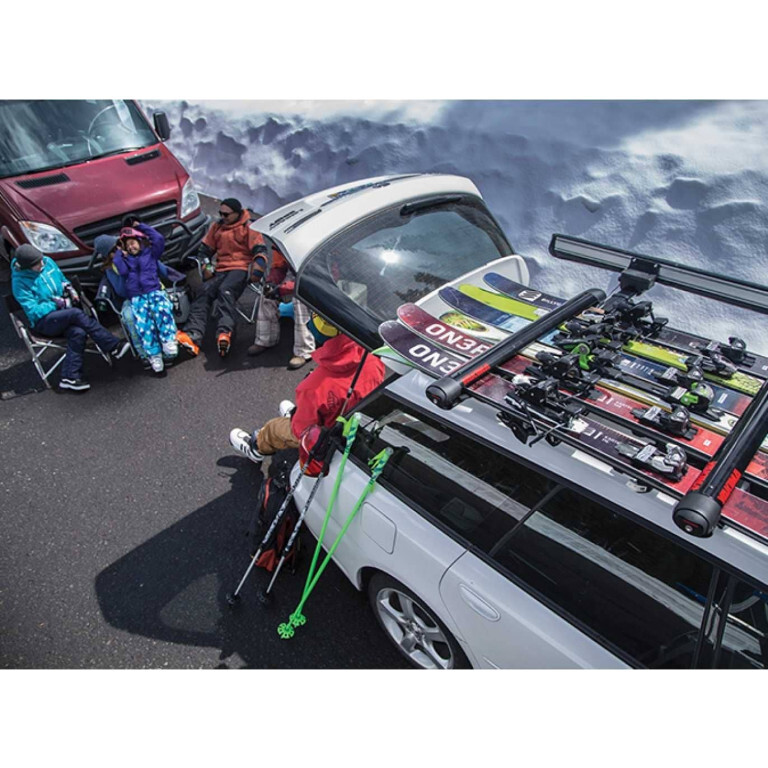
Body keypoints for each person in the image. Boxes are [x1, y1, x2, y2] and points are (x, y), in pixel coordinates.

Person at [229, 314, 385, 463]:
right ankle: (297, 414)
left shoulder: (314, 387)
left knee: (274, 428)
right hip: (358, 427)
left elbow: (301, 429)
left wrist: (298, 419)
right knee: (307, 411)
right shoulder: (373, 358)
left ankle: (257, 447)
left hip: (326, 435)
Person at [11, 244, 130, 392]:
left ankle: (69, 377)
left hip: (64, 314)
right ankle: (112, 345)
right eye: (36, 265)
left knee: (78, 332)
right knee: (75, 314)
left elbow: (61, 279)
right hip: (45, 321)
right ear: (27, 267)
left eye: (41, 260)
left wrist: (68, 287)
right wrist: (55, 304)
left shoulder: (47, 262)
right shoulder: (19, 283)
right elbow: (34, 311)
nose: (41, 265)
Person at [178, 197, 270, 358]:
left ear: (237, 213)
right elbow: (204, 251)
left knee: (225, 291)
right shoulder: (217, 227)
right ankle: (193, 334)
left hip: (241, 268)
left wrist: (257, 269)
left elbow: (260, 250)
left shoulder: (248, 226)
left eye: (226, 214)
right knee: (203, 292)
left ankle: (224, 332)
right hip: (221, 269)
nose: (223, 217)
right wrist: (207, 266)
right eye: (220, 214)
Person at [93, 234, 185, 367]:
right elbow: (121, 291)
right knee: (130, 316)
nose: (118, 251)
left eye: (118, 246)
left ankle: (169, 348)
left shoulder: (138, 255)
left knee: (159, 308)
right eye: (113, 251)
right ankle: (145, 354)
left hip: (153, 290)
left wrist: (177, 277)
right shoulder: (112, 269)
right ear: (108, 256)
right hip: (132, 297)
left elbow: (160, 269)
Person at [111, 220, 178, 373]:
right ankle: (154, 355)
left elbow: (158, 239)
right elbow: (121, 269)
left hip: (153, 291)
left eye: (133, 243)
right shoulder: (126, 261)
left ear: (140, 241)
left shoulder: (150, 254)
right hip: (137, 297)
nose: (131, 247)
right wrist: (119, 251)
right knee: (144, 325)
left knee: (162, 312)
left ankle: (168, 341)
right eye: (127, 246)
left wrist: (140, 227)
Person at [247, 254, 316, 370]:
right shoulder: (286, 245)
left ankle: (304, 350)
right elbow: (279, 266)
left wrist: (282, 289)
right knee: (266, 296)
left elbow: (313, 277)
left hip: (319, 282)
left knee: (300, 299)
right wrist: (271, 283)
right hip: (295, 281)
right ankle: (266, 339)